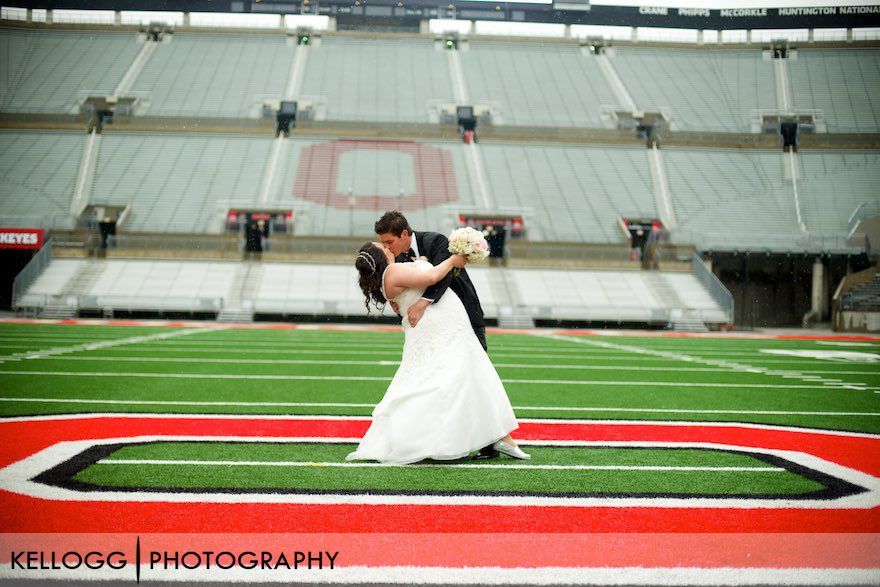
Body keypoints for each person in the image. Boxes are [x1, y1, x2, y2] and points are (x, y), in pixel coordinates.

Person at [348, 238, 530, 465]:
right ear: (380, 258)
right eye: (383, 247)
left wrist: (424, 260)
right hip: (442, 330)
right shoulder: (393, 272)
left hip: (445, 327)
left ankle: (500, 437)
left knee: (464, 378)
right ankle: (489, 438)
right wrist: (454, 259)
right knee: (460, 379)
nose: (388, 248)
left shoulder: (394, 273)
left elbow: (422, 270)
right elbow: (432, 277)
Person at [375, 211, 495, 458]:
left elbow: (444, 276)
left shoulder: (436, 241)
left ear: (405, 234)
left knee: (474, 371)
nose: (388, 247)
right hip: (433, 330)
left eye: (390, 242)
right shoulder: (395, 259)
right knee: (438, 382)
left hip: (463, 316)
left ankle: (489, 440)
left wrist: (422, 303)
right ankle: (441, 438)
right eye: (384, 243)